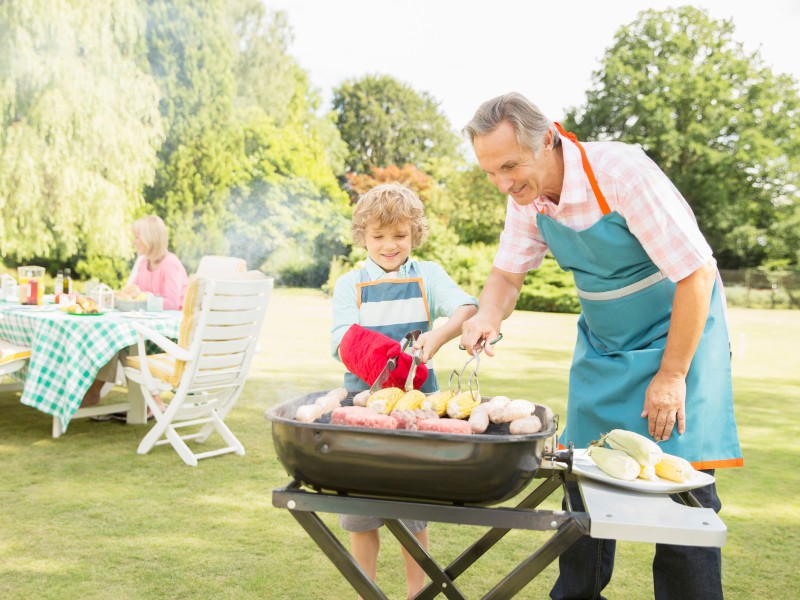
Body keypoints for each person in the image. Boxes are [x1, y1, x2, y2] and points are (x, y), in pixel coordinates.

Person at [459, 92, 742, 600]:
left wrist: (672, 374)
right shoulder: (526, 196)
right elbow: (506, 274)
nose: (503, 183)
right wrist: (487, 314)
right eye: (491, 172)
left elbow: (697, 273)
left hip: (677, 338)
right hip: (605, 345)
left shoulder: (621, 173)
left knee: (681, 493)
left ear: (546, 140)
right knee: (583, 487)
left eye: (510, 166)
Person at [331, 183, 478, 599]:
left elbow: (466, 307)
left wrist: (440, 336)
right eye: (378, 235)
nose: (389, 245)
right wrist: (392, 360)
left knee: (413, 516)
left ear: (415, 234)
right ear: (363, 236)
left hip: (418, 414)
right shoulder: (350, 284)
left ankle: (419, 595)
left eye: (399, 235)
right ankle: (368, 593)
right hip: (364, 410)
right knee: (362, 515)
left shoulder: (427, 275)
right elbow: (343, 339)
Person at [82, 215, 188, 410]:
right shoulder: (143, 263)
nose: (134, 241)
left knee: (121, 341)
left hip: (168, 335)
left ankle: (148, 402)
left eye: (137, 237)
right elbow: (133, 293)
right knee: (113, 336)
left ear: (150, 239)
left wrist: (143, 300)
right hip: (144, 328)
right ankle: (98, 392)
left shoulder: (170, 264)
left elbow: (172, 303)